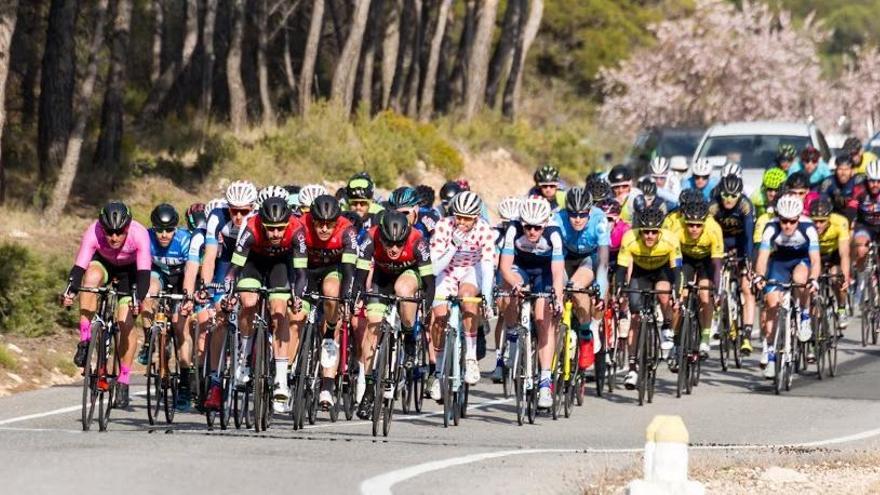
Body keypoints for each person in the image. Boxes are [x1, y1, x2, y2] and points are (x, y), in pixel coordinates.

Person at [209, 198, 308, 412]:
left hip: (281, 265)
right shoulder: (251, 228)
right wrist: (229, 291)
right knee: (249, 300)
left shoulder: (297, 230)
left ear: (287, 224)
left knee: (279, 309)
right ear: (262, 224)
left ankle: (281, 379)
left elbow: (301, 273)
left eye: (280, 229)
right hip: (253, 263)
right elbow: (234, 269)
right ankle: (244, 357)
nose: (275, 234)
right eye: (270, 229)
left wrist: (297, 296)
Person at [62, 202, 152, 409]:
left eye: (119, 232)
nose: (114, 237)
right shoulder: (93, 231)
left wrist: (137, 299)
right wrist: (71, 290)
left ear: (127, 228)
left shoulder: (139, 234)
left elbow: (145, 275)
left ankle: (123, 381)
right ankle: (85, 341)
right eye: (109, 232)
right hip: (104, 264)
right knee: (91, 279)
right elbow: (79, 266)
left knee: (125, 322)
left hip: (130, 272)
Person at [355, 211, 436, 418]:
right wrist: (356, 296)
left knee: (403, 290)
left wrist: (426, 307)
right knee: (372, 327)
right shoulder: (370, 237)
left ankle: (409, 336)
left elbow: (429, 282)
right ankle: (369, 389)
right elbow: (360, 275)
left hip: (408, 275)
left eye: (399, 244)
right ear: (380, 236)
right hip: (381, 279)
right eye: (388, 243)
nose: (393, 249)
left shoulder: (418, 242)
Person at [498, 197, 565, 409]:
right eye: (528, 226)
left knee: (542, 318)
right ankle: (511, 336)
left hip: (545, 271)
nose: (532, 232)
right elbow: (505, 268)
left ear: (545, 223)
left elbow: (557, 273)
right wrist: (516, 285)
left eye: (537, 227)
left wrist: (558, 298)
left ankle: (545, 383)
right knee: (508, 290)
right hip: (521, 267)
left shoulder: (554, 234)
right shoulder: (513, 230)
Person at [428, 191, 496, 396]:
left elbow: (487, 267)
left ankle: (471, 357)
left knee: (468, 298)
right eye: (459, 216)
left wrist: (486, 297)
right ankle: (439, 372)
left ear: (476, 217)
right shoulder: (443, 226)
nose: (462, 222)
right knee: (439, 314)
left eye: (467, 218)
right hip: (446, 269)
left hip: (471, 269)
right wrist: (453, 246)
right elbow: (434, 268)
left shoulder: (484, 229)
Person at [299, 195, 359, 409]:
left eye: (329, 224)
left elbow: (350, 270)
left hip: (332, 271)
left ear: (337, 221)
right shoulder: (301, 225)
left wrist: (348, 297)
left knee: (331, 292)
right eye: (319, 223)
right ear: (312, 219)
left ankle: (327, 385)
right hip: (305, 270)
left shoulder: (347, 231)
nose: (324, 228)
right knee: (295, 314)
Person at [139, 203, 201, 412]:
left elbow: (192, 269)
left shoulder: (184, 240)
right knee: (147, 292)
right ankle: (149, 340)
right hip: (159, 276)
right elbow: (141, 268)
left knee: (180, 327)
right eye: (159, 230)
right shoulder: (146, 238)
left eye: (168, 230)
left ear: (176, 228)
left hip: (181, 279)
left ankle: (184, 383)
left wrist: (188, 297)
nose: (164, 235)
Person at [615, 206, 682, 390]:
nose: (650, 236)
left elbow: (677, 271)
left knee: (664, 295)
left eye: (654, 232)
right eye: (646, 232)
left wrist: (677, 289)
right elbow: (621, 270)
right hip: (640, 273)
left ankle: (667, 326)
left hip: (662, 272)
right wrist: (620, 289)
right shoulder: (630, 238)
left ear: (660, 230)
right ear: (640, 230)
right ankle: (633, 367)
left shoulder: (670, 239)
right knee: (635, 317)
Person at [753, 194, 820, 377]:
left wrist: (813, 279)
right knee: (772, 304)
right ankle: (772, 355)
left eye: (792, 221)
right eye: (784, 221)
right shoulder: (771, 228)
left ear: (798, 218)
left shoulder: (808, 228)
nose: (788, 225)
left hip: (802, 260)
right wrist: (759, 276)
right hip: (780, 262)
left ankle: (804, 315)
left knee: (800, 279)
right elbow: (763, 257)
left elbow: (815, 260)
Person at [553, 187, 610, 373]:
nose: (577, 219)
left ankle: (586, 334)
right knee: (557, 288)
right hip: (565, 256)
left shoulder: (599, 220)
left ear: (590, 211)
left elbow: (602, 263)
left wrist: (600, 291)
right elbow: (553, 258)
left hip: (589, 258)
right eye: (573, 214)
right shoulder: (556, 219)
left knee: (576, 287)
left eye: (582, 214)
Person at [670, 199, 724, 360]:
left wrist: (718, 289)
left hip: (707, 261)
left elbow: (716, 264)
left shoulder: (713, 228)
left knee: (705, 294)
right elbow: (674, 262)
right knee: (681, 297)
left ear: (704, 222)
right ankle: (676, 338)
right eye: (690, 225)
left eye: (698, 225)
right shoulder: (677, 228)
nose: (694, 229)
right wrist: (677, 287)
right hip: (685, 260)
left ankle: (705, 337)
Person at [709, 175, 756, 354]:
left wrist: (748, 260)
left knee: (746, 287)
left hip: (741, 243)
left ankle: (747, 335)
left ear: (740, 195)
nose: (729, 199)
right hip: (720, 243)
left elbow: (749, 236)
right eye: (725, 195)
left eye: (733, 195)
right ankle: (717, 316)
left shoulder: (745, 205)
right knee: (714, 279)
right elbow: (708, 232)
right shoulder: (713, 206)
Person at [809, 198, 850, 330]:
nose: (818, 225)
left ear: (829, 218)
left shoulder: (840, 222)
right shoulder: (806, 225)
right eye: (815, 221)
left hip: (834, 253)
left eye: (822, 221)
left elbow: (844, 254)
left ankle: (842, 308)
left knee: (836, 277)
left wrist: (845, 276)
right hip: (816, 255)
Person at [818, 153, 862, 222]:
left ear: (852, 170)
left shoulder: (859, 180)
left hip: (856, 217)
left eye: (846, 169)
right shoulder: (828, 182)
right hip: (835, 216)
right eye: (840, 169)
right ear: (835, 170)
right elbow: (821, 201)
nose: (843, 173)